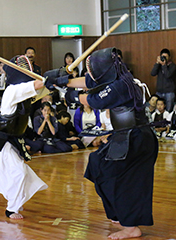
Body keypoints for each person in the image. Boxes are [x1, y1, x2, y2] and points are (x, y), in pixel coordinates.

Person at [45, 47, 158, 239]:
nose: (91, 75)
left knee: (121, 180)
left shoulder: (120, 86)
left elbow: (94, 100)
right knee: (98, 165)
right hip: (129, 138)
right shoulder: (117, 77)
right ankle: (120, 215)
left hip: (136, 140)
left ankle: (130, 227)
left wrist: (70, 95)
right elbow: (89, 82)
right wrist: (62, 81)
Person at [0, 55, 48, 220]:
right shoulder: (13, 90)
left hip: (12, 140)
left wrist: (62, 77)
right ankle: (11, 209)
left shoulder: (23, 92)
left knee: (3, 169)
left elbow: (46, 88)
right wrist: (53, 78)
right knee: (19, 172)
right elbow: (41, 84)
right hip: (2, 142)